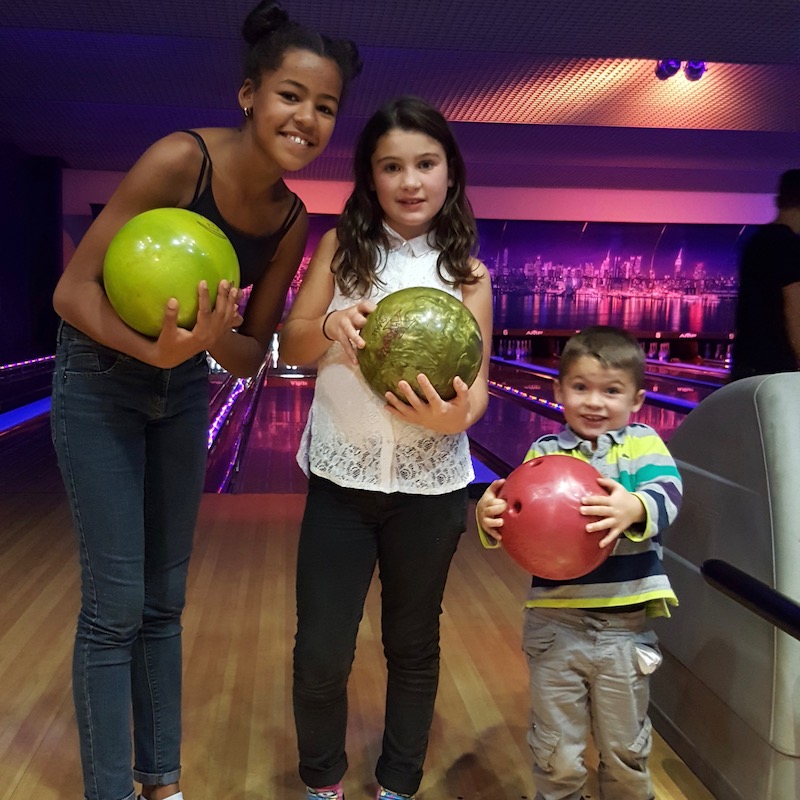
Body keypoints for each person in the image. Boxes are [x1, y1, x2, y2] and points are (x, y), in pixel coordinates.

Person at [50, 4, 361, 800]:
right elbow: (72, 291)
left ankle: (162, 780)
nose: (308, 118)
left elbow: (252, 350)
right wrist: (154, 348)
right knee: (116, 602)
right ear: (249, 93)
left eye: (326, 106)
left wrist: (208, 342)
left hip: (183, 390)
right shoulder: (177, 161)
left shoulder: (291, 218)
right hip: (100, 380)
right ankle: (111, 790)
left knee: (164, 600)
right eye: (292, 95)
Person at [279, 95, 493, 800]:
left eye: (425, 164)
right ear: (370, 179)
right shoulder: (344, 247)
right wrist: (334, 322)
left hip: (430, 494)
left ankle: (397, 784)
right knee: (320, 654)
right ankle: (322, 783)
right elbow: (292, 342)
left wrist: (449, 419)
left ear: (449, 173)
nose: (410, 181)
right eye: (391, 166)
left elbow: (479, 396)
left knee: (412, 647)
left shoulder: (470, 276)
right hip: (341, 481)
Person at [477, 325, 683, 800]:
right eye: (581, 387)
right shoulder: (543, 454)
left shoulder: (643, 446)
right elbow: (517, 518)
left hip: (623, 628)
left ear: (636, 399)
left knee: (625, 747)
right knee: (557, 748)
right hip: (556, 626)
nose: (595, 402)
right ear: (559, 390)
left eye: (611, 391)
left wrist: (634, 507)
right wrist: (490, 518)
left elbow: (668, 494)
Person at [729, 168, 800, 382]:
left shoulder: (755, 243)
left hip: (746, 365)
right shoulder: (790, 246)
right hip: (777, 371)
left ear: (779, 200)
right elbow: (794, 309)